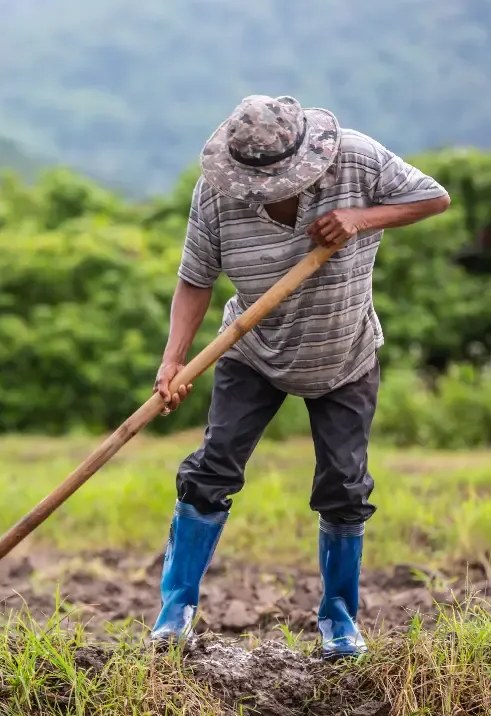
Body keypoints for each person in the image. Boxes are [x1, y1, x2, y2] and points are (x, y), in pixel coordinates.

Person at [149, 95, 450, 660]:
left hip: (344, 353)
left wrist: (360, 218)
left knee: (343, 486)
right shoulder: (216, 193)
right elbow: (195, 279)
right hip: (252, 349)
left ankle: (339, 621)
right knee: (212, 470)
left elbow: (433, 197)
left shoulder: (357, 159)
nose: (263, 193)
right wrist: (173, 360)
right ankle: (175, 613)